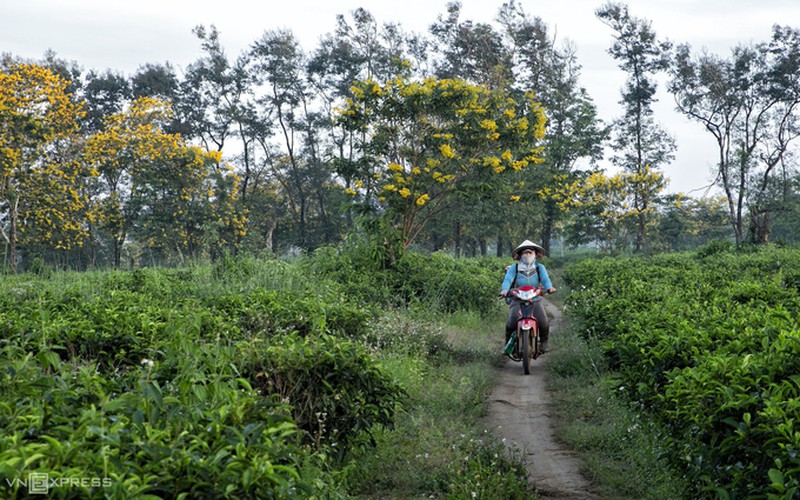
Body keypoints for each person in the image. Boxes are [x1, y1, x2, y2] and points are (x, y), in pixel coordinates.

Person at [499, 240, 557, 353]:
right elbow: (508, 279)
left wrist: (549, 288)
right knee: (511, 321)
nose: (528, 255)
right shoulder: (514, 268)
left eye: (530, 253)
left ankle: (544, 343)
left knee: (543, 320)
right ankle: (508, 345)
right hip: (517, 299)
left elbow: (545, 280)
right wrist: (504, 290)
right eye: (525, 253)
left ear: (535, 254)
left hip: (535, 299)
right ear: (520, 255)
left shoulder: (540, 268)